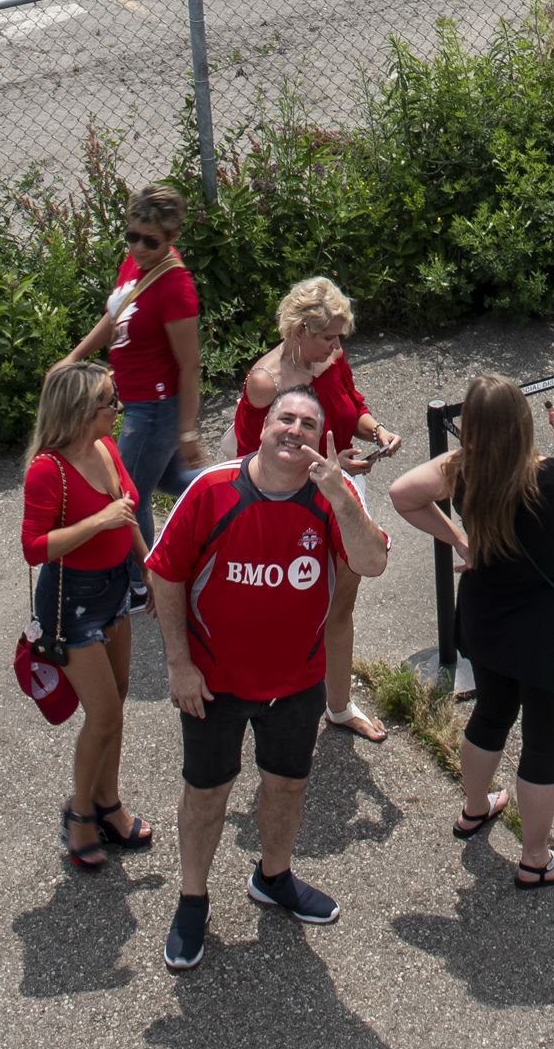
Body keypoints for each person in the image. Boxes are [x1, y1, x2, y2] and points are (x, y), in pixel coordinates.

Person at [148, 386, 390, 971]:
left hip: (297, 682)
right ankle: (192, 899)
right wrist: (179, 665)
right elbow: (165, 575)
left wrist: (340, 494)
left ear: (320, 439)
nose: (296, 431)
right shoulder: (210, 491)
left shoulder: (335, 495)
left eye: (310, 424)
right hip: (213, 684)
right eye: (286, 418)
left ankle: (273, 876)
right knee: (207, 794)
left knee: (286, 786)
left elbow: (372, 562)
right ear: (262, 427)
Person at [388, 375, 554, 889]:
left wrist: (458, 540)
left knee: (491, 713)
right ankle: (536, 857)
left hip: (486, 620)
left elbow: (402, 492)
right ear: (524, 424)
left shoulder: (461, 469)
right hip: (551, 634)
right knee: (543, 744)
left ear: (467, 428)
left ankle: (475, 808)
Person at [230, 277, 402, 742]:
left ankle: (339, 706)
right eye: (328, 336)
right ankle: (273, 701)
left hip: (341, 489)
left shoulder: (331, 356)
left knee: (341, 603)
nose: (337, 346)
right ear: (300, 329)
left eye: (340, 337)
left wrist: (377, 432)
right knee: (288, 604)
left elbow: (352, 408)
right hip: (290, 505)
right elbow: (250, 461)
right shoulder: (267, 382)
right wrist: (325, 468)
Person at [20, 363, 154, 871]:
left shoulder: (106, 448)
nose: (118, 410)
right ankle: (79, 813)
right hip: (70, 601)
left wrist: (149, 571)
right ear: (81, 413)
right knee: (105, 715)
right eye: (109, 402)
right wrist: (97, 521)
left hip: (115, 587)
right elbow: (34, 548)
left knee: (115, 704)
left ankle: (108, 803)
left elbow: (127, 513)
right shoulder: (47, 471)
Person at [57, 182, 203, 611]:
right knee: (173, 481)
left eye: (150, 240)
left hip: (155, 409)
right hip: (137, 401)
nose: (138, 247)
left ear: (172, 238)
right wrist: (75, 356)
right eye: (132, 235)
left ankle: (143, 584)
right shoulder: (137, 263)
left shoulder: (176, 288)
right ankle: (238, 502)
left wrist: (187, 430)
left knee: (125, 494)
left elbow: (190, 365)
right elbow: (115, 313)